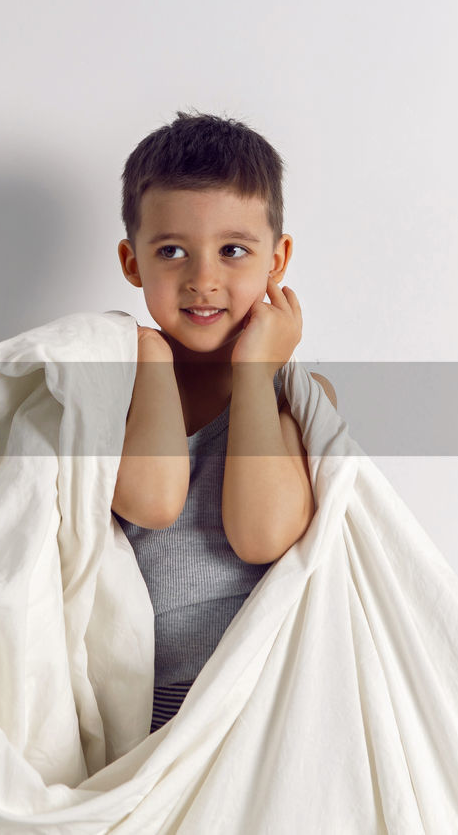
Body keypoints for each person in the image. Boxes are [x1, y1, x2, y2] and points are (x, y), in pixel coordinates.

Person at [111, 111, 339, 733]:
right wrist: (153, 360)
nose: (203, 279)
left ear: (277, 259)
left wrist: (254, 374)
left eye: (233, 250)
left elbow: (263, 537)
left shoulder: (297, 396)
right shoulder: (115, 386)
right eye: (172, 251)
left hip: (257, 700)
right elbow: (152, 501)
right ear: (134, 264)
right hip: (137, 701)